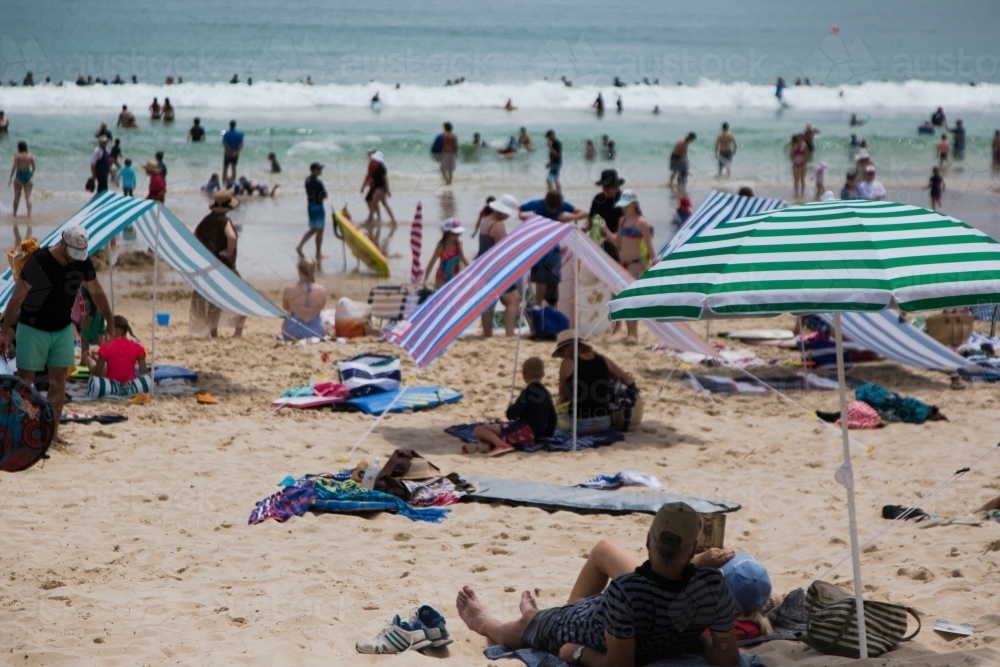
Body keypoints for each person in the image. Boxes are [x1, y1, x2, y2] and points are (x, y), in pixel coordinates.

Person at [455, 502, 740, 667]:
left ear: (647, 543)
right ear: (693, 552)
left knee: (531, 624)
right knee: (578, 607)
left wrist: (575, 652)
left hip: (577, 628)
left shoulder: (626, 591)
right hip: (609, 617)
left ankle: (485, 623)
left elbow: (618, 666)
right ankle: (541, 615)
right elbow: (727, 659)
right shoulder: (713, 585)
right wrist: (700, 639)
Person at [1, 227, 115, 445]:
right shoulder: (40, 260)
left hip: (62, 327)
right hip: (32, 327)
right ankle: (25, 427)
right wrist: (6, 329)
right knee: (26, 383)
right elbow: (17, 298)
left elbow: (96, 291)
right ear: (63, 243)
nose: (75, 259)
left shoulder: (81, 261)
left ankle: (51, 433)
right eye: (72, 253)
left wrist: (110, 320)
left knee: (59, 382)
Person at [471, 357, 556, 457]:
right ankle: (488, 445)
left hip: (523, 431)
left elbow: (512, 415)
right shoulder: (546, 394)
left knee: (479, 430)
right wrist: (544, 435)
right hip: (534, 437)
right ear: (543, 374)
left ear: (524, 375)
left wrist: (511, 408)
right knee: (499, 433)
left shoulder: (527, 392)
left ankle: (501, 445)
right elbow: (553, 419)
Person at [553, 329, 637, 430]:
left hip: (579, 424)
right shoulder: (603, 359)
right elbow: (629, 380)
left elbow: (563, 397)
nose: (562, 355)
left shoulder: (567, 363)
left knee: (550, 420)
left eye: (561, 350)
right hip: (604, 423)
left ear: (570, 345)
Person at [191, 191, 246, 337]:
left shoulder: (205, 220)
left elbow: (194, 237)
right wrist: (228, 252)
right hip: (225, 267)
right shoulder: (224, 221)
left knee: (213, 300)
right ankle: (238, 331)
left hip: (208, 266)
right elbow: (232, 237)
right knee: (244, 296)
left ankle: (213, 333)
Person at [605, 189, 656, 344]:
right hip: (624, 263)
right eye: (623, 205)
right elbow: (618, 243)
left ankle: (633, 334)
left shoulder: (641, 223)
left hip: (636, 264)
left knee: (630, 297)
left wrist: (654, 264)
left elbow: (651, 249)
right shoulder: (623, 220)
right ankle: (630, 332)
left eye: (627, 205)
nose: (624, 208)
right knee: (625, 297)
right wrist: (605, 229)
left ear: (635, 204)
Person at [521, 191, 588, 308]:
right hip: (538, 251)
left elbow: (584, 213)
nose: (552, 211)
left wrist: (571, 217)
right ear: (545, 203)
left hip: (554, 252)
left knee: (553, 288)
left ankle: (552, 315)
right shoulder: (537, 204)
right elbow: (518, 209)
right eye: (550, 208)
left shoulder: (563, 205)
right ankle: (539, 311)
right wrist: (525, 218)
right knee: (540, 285)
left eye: (555, 209)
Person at [478, 194, 522, 337]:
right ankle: (510, 334)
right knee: (514, 299)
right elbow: (503, 251)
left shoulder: (487, 220)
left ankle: (487, 335)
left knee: (488, 302)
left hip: (484, 266)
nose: (509, 217)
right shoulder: (498, 225)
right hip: (497, 269)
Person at [88, 315, 147, 384]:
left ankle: (87, 357)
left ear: (111, 329)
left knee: (91, 362)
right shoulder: (137, 347)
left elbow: (96, 374)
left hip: (111, 385)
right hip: (130, 384)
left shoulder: (106, 346)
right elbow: (144, 374)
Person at [281, 256, 328, 340]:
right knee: (322, 315)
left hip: (292, 331)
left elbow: (286, 307)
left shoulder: (289, 289)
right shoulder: (322, 289)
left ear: (299, 270)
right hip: (315, 331)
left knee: (288, 315)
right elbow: (321, 307)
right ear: (314, 270)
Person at [588, 169, 624, 262]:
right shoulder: (598, 199)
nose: (606, 189)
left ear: (616, 186)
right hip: (600, 242)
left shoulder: (624, 200)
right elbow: (590, 219)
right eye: (604, 186)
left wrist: (615, 235)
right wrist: (583, 228)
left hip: (620, 243)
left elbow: (634, 222)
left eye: (609, 186)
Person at [422, 218, 468, 290]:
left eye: (459, 233)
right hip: (441, 277)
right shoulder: (442, 246)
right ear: (447, 233)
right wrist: (425, 280)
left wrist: (472, 269)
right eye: (456, 233)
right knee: (442, 297)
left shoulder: (458, 243)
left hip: (455, 275)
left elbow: (463, 258)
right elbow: (432, 262)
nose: (458, 235)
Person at [297, 162, 327, 267]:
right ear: (314, 170)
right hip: (318, 207)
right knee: (320, 230)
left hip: (310, 206)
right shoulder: (319, 182)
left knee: (313, 229)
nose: (320, 171)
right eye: (319, 169)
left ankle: (300, 246)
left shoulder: (307, 180)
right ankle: (318, 253)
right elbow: (324, 195)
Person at [365, 152, 397, 246]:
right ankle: (393, 220)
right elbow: (373, 179)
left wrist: (389, 190)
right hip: (378, 188)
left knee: (374, 202)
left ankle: (369, 219)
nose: (373, 161)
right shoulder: (376, 167)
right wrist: (367, 183)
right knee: (384, 204)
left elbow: (386, 179)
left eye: (375, 160)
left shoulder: (382, 168)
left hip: (382, 188)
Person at [8, 141, 35, 219]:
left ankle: (14, 214)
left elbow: (14, 166)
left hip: (19, 176)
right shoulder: (30, 156)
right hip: (28, 176)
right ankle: (29, 215)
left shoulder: (17, 156)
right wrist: (31, 174)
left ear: (19, 147)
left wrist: (10, 177)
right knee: (28, 196)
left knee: (17, 196)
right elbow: (34, 167)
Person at [789, 134, 808, 199]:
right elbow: (791, 155)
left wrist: (805, 163)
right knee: (796, 179)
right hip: (796, 163)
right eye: (798, 138)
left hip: (802, 164)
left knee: (802, 179)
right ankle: (796, 192)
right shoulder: (794, 145)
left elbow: (806, 155)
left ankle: (802, 193)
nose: (799, 139)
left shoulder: (804, 145)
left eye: (800, 138)